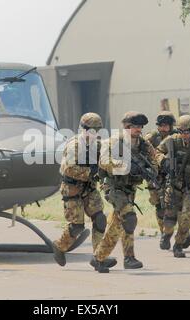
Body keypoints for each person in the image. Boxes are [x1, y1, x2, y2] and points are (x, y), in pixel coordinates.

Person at [92, 111, 158, 273]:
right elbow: (104, 162)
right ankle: (128, 258)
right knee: (129, 217)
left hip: (129, 188)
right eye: (135, 127)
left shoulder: (143, 144)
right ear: (127, 127)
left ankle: (100, 257)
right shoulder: (114, 142)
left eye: (140, 127)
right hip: (113, 186)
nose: (139, 130)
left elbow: (155, 161)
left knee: (119, 223)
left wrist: (149, 170)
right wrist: (125, 166)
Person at [52, 113, 116, 269]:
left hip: (89, 188)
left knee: (100, 219)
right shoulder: (74, 145)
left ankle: (98, 258)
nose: (94, 134)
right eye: (91, 130)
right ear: (83, 129)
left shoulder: (99, 146)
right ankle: (60, 246)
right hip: (72, 189)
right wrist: (91, 172)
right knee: (77, 226)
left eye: (97, 131)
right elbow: (68, 168)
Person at [155, 115, 190, 258]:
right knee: (170, 217)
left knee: (186, 216)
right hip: (175, 186)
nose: (185, 135)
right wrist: (163, 160)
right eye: (181, 131)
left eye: (188, 132)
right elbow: (157, 152)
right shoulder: (171, 141)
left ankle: (178, 244)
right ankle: (167, 234)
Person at [144, 111, 177, 250]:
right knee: (159, 206)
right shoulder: (151, 137)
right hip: (155, 175)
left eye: (166, 126)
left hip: (172, 175)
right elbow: (141, 151)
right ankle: (164, 233)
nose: (163, 128)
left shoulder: (176, 136)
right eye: (161, 126)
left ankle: (180, 233)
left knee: (173, 206)